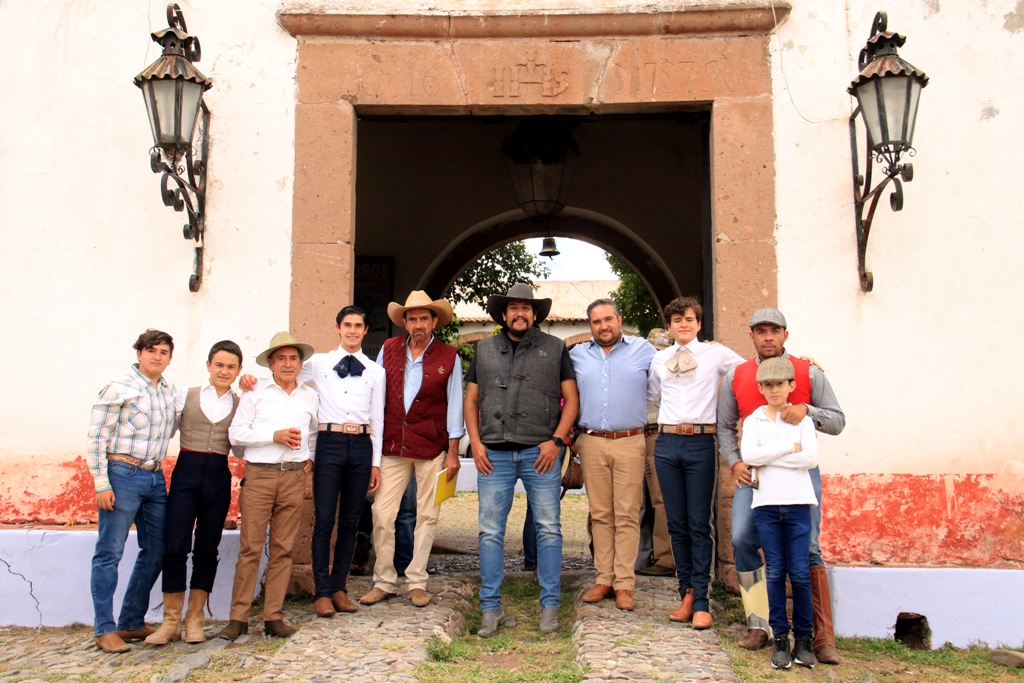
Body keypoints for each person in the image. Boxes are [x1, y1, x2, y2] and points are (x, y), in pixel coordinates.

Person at [717, 308, 845, 663]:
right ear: (752, 336)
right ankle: (759, 623)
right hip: (754, 477)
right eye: (761, 331)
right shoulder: (737, 375)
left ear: (785, 335)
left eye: (775, 330)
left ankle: (821, 636)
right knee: (743, 538)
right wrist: (735, 462)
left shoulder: (808, 371)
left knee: (809, 548)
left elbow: (836, 421)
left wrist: (808, 410)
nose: (768, 337)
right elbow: (725, 427)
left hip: (800, 477)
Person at [465, 283, 579, 637]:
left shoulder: (555, 348)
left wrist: (557, 441)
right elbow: (471, 401)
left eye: (526, 309)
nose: (519, 313)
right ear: (503, 314)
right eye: (513, 308)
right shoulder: (484, 350)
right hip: (493, 455)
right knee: (489, 532)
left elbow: (572, 400)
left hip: (539, 453)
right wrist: (475, 443)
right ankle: (490, 609)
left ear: (535, 315)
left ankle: (549, 607)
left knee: (548, 529)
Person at [359, 291, 464, 609]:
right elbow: (375, 396)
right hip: (393, 445)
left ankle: (417, 580)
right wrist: (373, 449)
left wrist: (453, 451)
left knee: (428, 515)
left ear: (434, 322)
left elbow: (455, 405)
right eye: (412, 318)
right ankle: (384, 580)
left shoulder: (449, 356)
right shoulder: (389, 350)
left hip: (432, 448)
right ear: (404, 322)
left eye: (424, 318)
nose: (418, 324)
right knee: (382, 513)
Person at [648, 297, 743, 630]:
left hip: (701, 441)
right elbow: (651, 396)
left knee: (698, 523)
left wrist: (796, 363)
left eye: (689, 319)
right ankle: (685, 592)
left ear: (699, 324)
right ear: (670, 326)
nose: (683, 324)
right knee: (675, 523)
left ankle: (701, 599)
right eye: (676, 320)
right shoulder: (660, 359)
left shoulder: (716, 354)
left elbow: (749, 372)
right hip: (667, 442)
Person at [219, 332, 319, 640]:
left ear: (301, 364)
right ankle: (238, 618)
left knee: (283, 550)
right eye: (281, 359)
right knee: (250, 547)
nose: (288, 364)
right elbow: (236, 434)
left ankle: (273, 616)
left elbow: (313, 433)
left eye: (293, 358)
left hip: (292, 478)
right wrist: (272, 436)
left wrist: (310, 459)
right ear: (271, 364)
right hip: (260, 476)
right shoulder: (255, 392)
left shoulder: (310, 395)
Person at [88, 329, 178, 653]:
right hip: (121, 473)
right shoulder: (118, 387)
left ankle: (130, 621)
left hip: (155, 476)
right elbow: (97, 437)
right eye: (152, 350)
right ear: (139, 353)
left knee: (157, 549)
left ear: (170, 357)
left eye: (164, 351)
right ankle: (104, 628)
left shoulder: (170, 392)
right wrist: (101, 483)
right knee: (109, 552)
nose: (157, 356)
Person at [147, 341, 243, 645]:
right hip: (186, 473)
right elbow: (163, 430)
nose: (224, 371)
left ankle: (195, 618)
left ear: (239, 371)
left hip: (218, 476)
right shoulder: (184, 395)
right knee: (174, 545)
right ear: (208, 365)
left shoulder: (242, 403)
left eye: (231, 367)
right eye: (219, 365)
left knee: (207, 549)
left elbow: (240, 446)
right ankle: (170, 620)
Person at [570, 299, 656, 611]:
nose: (603, 326)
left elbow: (670, 372)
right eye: (596, 322)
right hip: (590, 441)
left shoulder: (644, 350)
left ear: (619, 320)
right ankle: (603, 578)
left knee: (628, 514)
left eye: (608, 319)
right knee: (600, 514)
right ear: (590, 325)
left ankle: (624, 583)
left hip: (630, 441)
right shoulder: (577, 355)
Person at [301, 306, 386, 617]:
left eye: (358, 325)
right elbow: (286, 374)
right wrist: (251, 382)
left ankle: (340, 588)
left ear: (365, 330)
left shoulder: (376, 371)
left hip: (361, 444)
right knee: (324, 520)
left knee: (351, 522)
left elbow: (377, 418)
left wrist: (375, 462)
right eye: (347, 325)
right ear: (337, 328)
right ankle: (321, 591)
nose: (352, 330)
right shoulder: (320, 363)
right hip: (330, 442)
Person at [741, 357, 819, 670]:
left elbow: (810, 459)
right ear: (760, 388)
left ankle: (804, 637)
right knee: (775, 571)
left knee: (799, 572)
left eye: (780, 384)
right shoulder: (754, 421)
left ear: (791, 386)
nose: (774, 390)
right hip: (767, 503)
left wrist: (769, 459)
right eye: (768, 385)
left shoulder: (803, 420)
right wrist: (789, 449)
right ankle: (781, 636)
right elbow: (749, 455)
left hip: (799, 502)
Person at [636, 328, 675, 577]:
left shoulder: (675, 368)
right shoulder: (641, 369)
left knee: (660, 500)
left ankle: (665, 558)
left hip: (660, 433)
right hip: (635, 433)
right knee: (634, 502)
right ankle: (637, 558)